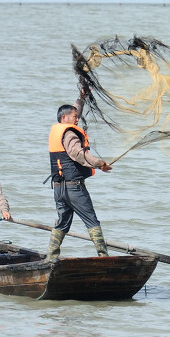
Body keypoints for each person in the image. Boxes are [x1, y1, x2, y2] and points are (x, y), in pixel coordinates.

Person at [46, 102, 112, 258]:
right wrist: (99, 163)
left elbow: (74, 111)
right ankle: (104, 257)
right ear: (64, 117)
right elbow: (77, 154)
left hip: (58, 188)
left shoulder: (58, 131)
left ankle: (51, 258)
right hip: (74, 188)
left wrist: (81, 98)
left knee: (62, 223)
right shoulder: (69, 134)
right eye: (75, 117)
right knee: (92, 221)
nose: (77, 119)